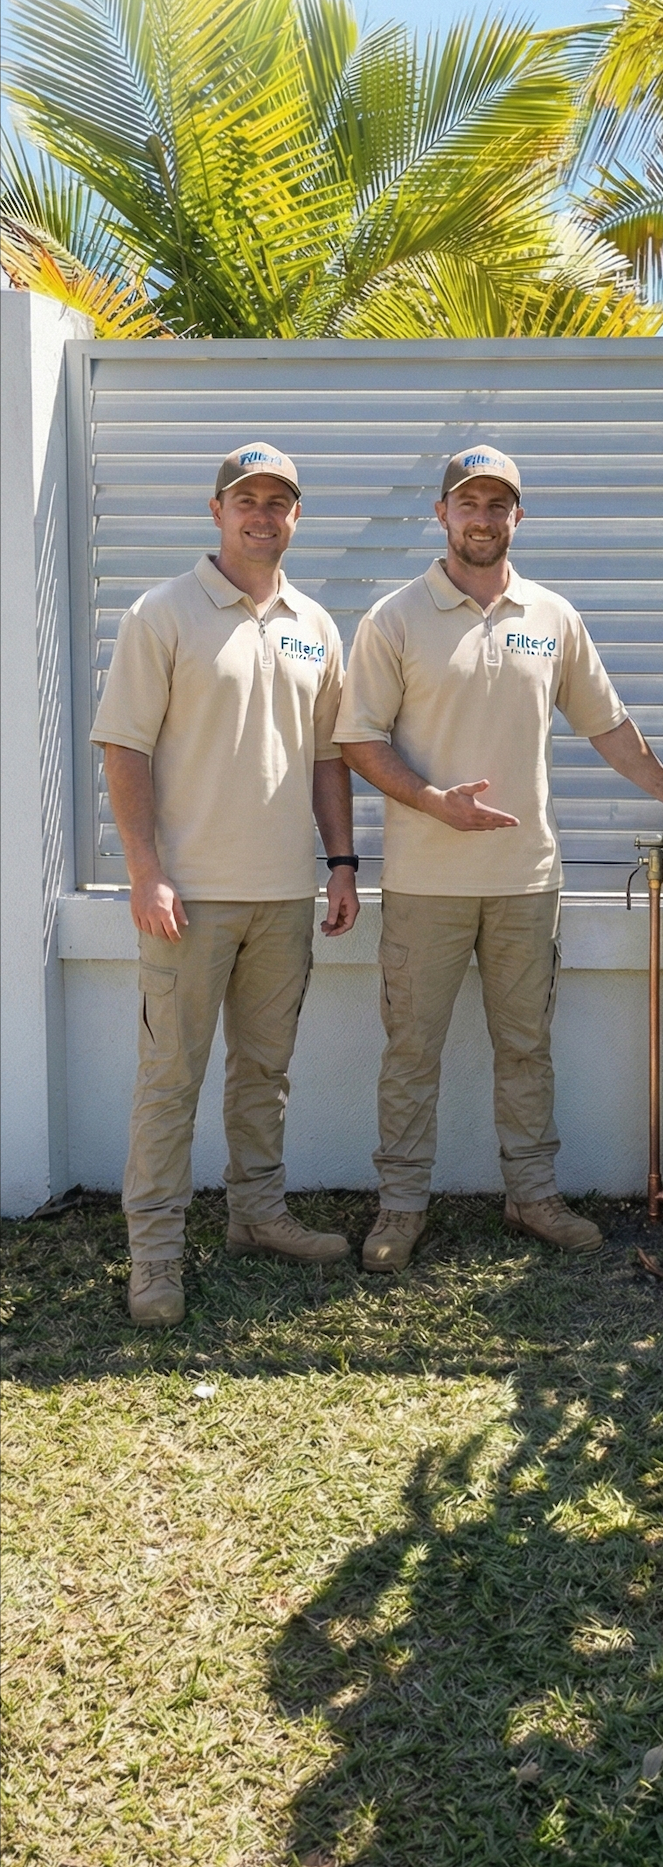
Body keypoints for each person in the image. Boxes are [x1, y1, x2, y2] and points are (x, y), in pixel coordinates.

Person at [335, 441, 663, 1271]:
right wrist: (429, 801)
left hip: (526, 883)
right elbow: (356, 739)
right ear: (441, 513)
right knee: (411, 1052)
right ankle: (400, 1208)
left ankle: (532, 1197)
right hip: (424, 885)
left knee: (525, 1047)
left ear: (518, 516)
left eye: (497, 505)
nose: (481, 519)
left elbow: (607, 727)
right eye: (467, 503)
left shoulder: (552, 616)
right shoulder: (393, 618)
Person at [91, 444, 361, 1327]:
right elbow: (122, 746)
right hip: (188, 899)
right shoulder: (161, 613)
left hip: (281, 897)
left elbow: (327, 759)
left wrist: (341, 862)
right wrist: (145, 871)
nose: (262, 515)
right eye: (246, 499)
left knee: (264, 1074)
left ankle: (258, 1216)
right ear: (215, 510)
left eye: (278, 502)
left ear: (295, 517)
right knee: (170, 1080)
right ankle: (155, 1259)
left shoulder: (315, 624)